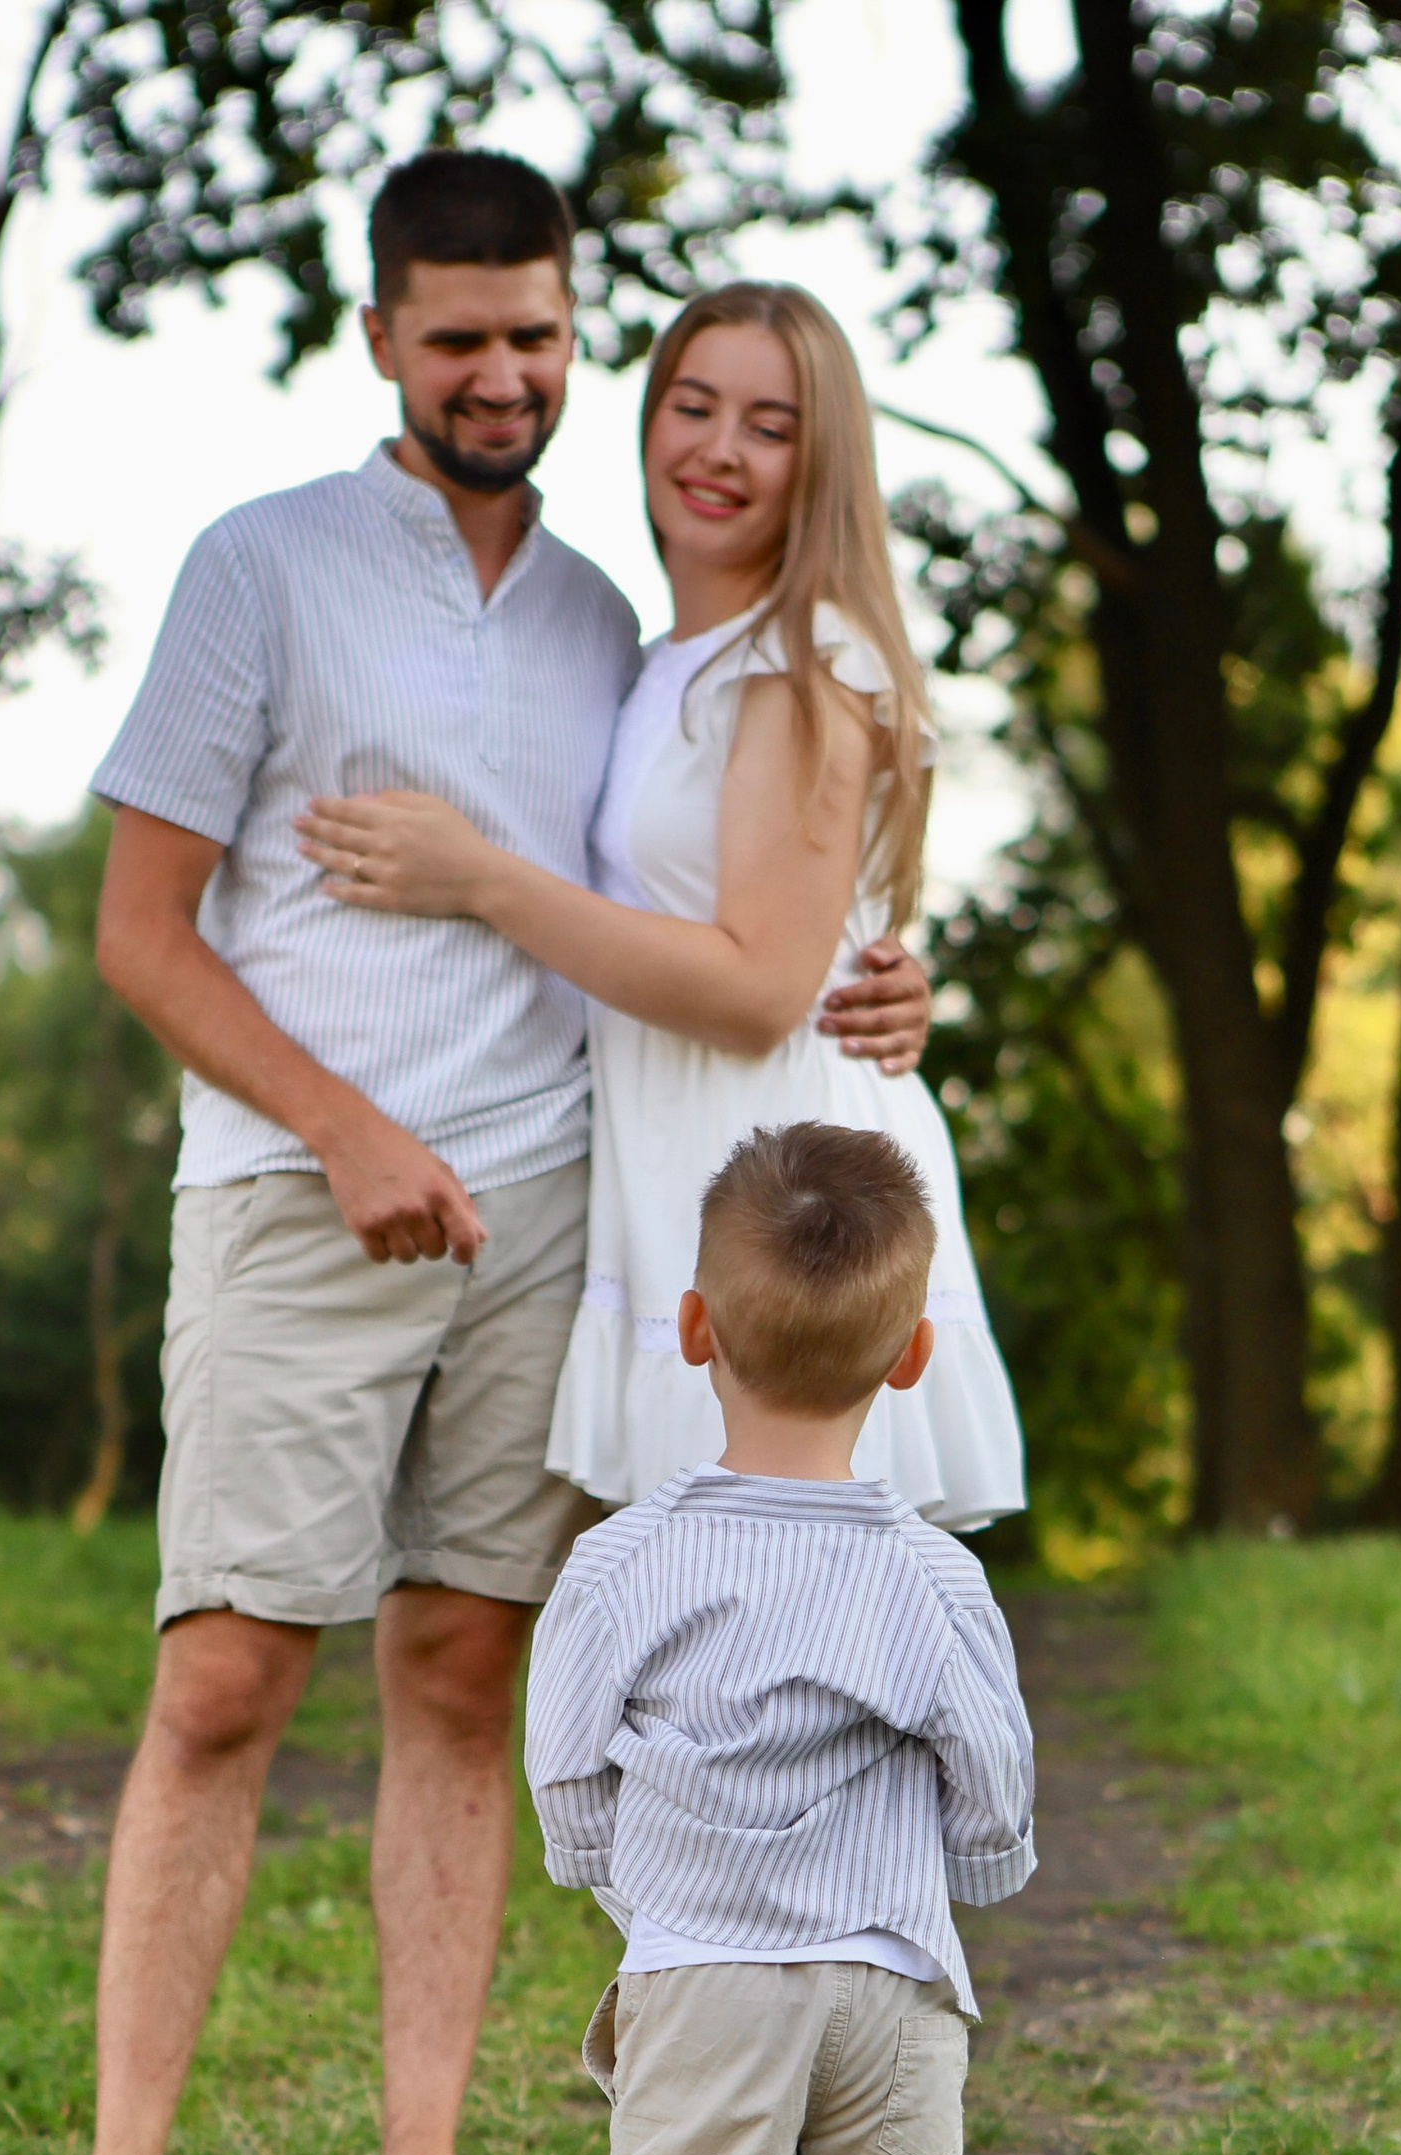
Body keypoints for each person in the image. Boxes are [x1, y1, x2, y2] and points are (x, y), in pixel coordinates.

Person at [0, 155, 932, 2155]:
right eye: (453, 338)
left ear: (564, 329)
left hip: (553, 1220)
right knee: (223, 1673)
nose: (497, 373)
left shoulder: (620, 619)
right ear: (381, 341)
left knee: (459, 1674)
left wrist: (881, 984)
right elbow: (141, 933)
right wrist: (342, 1130)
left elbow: (730, 889)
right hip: (296, 1197)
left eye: (532, 334)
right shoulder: (261, 572)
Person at [299, 280, 1025, 1531]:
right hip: (674, 1173)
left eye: (770, 425)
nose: (718, 451)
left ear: (821, 462)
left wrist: (477, 877)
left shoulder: (801, 664)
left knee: (785, 1654)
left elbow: (755, 993)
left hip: (785, 1193)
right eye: (693, 406)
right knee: (691, 1650)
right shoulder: (656, 662)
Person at [524, 1123, 1036, 2155]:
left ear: (694, 1329)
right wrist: (968, 1876)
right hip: (890, 1989)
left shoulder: (625, 1562)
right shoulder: (935, 1581)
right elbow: (998, 1798)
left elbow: (564, 1782)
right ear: (913, 1357)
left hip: (704, 1975)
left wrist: (648, 1896)